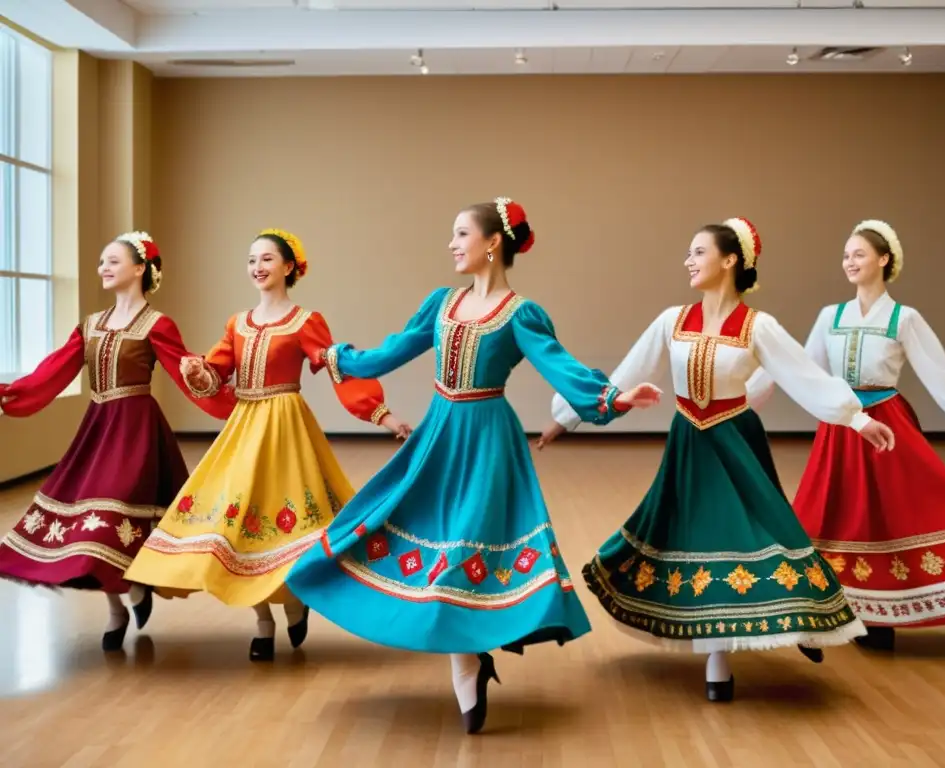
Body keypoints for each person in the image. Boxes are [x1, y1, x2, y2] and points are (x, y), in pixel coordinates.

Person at [285, 198, 662, 734]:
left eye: (462, 233)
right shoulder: (442, 304)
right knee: (403, 527)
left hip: (488, 440)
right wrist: (341, 358)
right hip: (439, 434)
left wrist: (613, 398)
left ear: (492, 243)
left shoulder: (520, 314)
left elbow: (561, 366)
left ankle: (468, 663)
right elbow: (393, 351)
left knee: (465, 548)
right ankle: (470, 659)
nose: (452, 243)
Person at [537, 217, 896, 702]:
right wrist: (569, 415)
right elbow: (626, 371)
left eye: (699, 252)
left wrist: (856, 419)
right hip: (689, 441)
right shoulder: (672, 320)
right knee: (695, 536)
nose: (689, 260)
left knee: (761, 532)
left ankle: (794, 621)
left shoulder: (757, 325)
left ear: (730, 261)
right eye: (688, 252)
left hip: (735, 439)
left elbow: (803, 376)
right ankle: (717, 657)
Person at [123, 228, 411, 662]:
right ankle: (262, 621)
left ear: (289, 267)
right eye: (251, 260)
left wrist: (381, 414)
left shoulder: (305, 322)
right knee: (236, 525)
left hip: (286, 430)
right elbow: (216, 370)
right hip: (244, 428)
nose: (257, 268)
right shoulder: (237, 323)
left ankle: (294, 603)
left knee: (289, 524)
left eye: (267, 260)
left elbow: (339, 371)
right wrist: (198, 372)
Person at [745, 219, 945, 650]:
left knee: (891, 518)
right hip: (842, 425)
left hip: (887, 424)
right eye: (845, 255)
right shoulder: (829, 316)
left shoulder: (903, 318)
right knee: (831, 515)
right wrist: (740, 402)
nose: (849, 262)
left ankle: (881, 616)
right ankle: (825, 610)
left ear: (884, 260)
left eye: (858, 254)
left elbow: (936, 373)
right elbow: (797, 368)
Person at [0, 231, 236, 652]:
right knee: (87, 525)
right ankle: (117, 608)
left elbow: (188, 373)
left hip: (137, 433)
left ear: (140, 269)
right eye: (101, 262)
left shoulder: (156, 324)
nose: (103, 269)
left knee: (112, 521)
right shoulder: (91, 324)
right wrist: (9, 395)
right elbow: (52, 373)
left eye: (112, 261)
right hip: (97, 429)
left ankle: (138, 587)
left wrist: (232, 403)